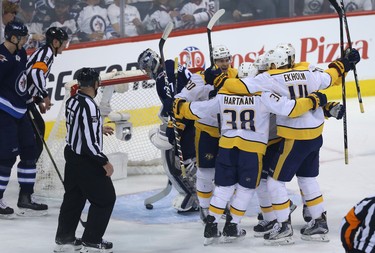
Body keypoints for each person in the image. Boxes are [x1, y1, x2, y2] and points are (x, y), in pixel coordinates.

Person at [208, 46, 360, 245]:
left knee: (274, 182)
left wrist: (220, 81)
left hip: (294, 138)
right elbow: (331, 76)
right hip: (315, 136)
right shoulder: (308, 71)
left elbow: (240, 88)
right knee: (307, 179)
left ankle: (284, 227)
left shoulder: (269, 78)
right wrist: (345, 62)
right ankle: (319, 222)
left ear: (273, 65)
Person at [173, 64, 330, 245]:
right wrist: (314, 101)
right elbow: (290, 108)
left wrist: (180, 107)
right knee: (246, 189)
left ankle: (212, 223)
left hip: (227, 148)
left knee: (224, 188)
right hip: (252, 151)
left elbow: (199, 110)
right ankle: (233, 225)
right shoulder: (263, 96)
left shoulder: (224, 95)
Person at [54, 67, 116, 253]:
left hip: (71, 155)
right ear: (96, 84)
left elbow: (79, 126)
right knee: (105, 198)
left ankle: (64, 238)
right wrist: (104, 161)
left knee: (74, 197)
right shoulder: (89, 105)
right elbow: (89, 143)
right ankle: (92, 240)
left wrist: (98, 128)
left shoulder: (73, 100)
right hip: (86, 159)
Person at [138, 48, 198, 212]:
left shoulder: (161, 79)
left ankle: (197, 195)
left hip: (186, 119)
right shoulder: (175, 68)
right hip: (198, 113)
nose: (147, 72)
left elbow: (170, 106)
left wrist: (172, 117)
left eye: (148, 68)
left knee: (184, 158)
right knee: (191, 157)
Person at [0, 20, 49, 219]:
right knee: (6, 157)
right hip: (4, 113)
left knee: (30, 151)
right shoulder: (1, 58)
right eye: (23, 37)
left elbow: (20, 82)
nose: (26, 40)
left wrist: (31, 100)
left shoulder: (20, 53)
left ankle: (26, 197)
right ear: (13, 38)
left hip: (21, 111)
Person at [25, 26, 69, 165]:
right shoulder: (47, 53)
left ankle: (30, 165)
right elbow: (35, 73)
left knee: (38, 129)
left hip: (26, 99)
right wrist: (45, 96)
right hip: (21, 101)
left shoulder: (45, 52)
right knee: (38, 130)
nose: (64, 46)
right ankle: (31, 166)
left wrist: (37, 100)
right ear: (55, 42)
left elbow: (30, 78)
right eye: (63, 43)